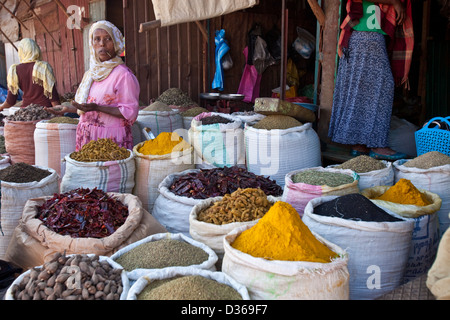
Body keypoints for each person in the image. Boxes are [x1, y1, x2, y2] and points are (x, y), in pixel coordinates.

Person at [328, 0, 414, 160]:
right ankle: (377, 145)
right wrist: (395, 2)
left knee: (360, 90)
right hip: (366, 37)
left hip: (362, 37)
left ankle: (358, 145)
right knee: (384, 86)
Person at [46, 20, 140, 151]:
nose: (102, 44)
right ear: (92, 44)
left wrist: (98, 108)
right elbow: (88, 107)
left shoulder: (123, 75)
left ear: (116, 43)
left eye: (108, 39)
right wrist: (67, 109)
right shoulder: (90, 74)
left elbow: (130, 112)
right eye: (97, 39)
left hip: (111, 139)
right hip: (87, 137)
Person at [0, 38, 60, 111]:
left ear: (21, 52)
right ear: (36, 49)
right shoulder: (43, 67)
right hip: (45, 111)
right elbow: (52, 96)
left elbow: (10, 101)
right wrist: (60, 112)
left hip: (26, 112)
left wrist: (1, 107)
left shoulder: (14, 70)